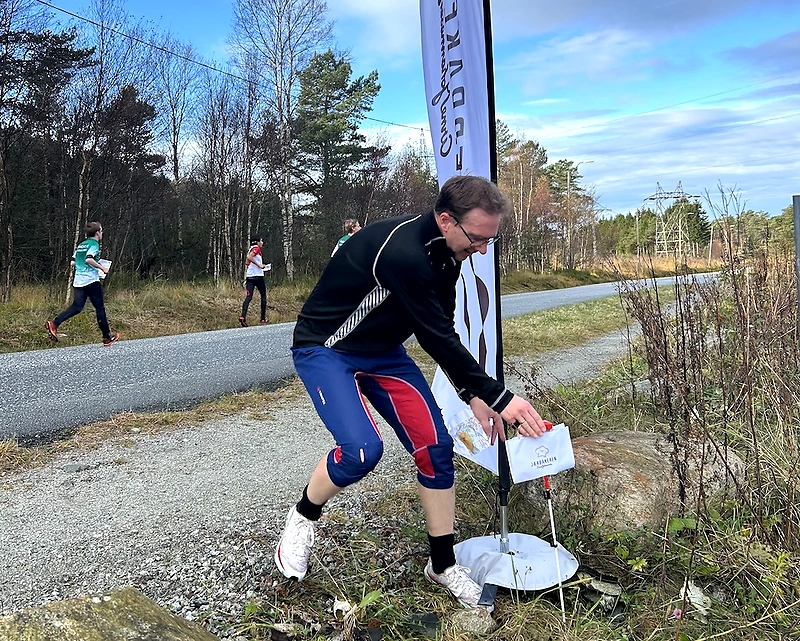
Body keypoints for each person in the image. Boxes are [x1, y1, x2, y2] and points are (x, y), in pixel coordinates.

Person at [274, 175, 547, 612]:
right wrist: (499, 396)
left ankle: (442, 564)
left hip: (384, 353)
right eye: (477, 238)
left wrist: (471, 393)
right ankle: (303, 516)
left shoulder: (448, 252)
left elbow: (444, 327)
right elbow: (434, 335)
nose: (482, 249)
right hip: (327, 349)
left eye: (489, 241)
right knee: (362, 451)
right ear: (445, 220)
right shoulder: (405, 252)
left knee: (436, 449)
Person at [46, 221, 120, 346]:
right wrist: (102, 268)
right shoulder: (94, 245)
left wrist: (85, 266)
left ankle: (54, 323)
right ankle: (107, 337)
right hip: (91, 281)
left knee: (77, 307)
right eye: (101, 231)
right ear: (97, 233)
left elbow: (73, 262)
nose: (102, 233)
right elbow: (89, 259)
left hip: (78, 282)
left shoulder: (81, 245)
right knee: (100, 308)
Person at [239, 234, 270, 327]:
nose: (262, 243)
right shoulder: (256, 248)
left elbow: (247, 262)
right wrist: (259, 265)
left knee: (249, 297)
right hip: (258, 276)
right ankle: (263, 318)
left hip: (250, 277)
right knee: (263, 295)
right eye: (261, 241)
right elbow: (249, 257)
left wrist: (257, 265)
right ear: (257, 242)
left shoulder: (250, 249)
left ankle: (243, 316)